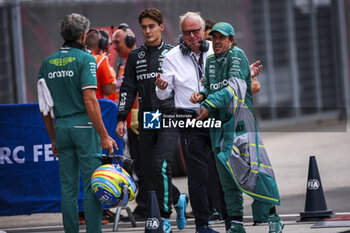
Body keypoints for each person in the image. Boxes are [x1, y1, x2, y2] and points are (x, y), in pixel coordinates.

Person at [155, 12, 263, 233]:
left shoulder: (218, 49)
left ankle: (230, 221)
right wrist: (161, 88)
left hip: (219, 117)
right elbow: (163, 96)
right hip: (190, 118)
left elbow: (235, 82)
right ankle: (202, 225)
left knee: (224, 170)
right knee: (197, 173)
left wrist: (247, 73)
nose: (193, 36)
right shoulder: (172, 57)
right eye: (187, 32)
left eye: (197, 31)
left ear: (204, 30)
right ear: (181, 34)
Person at [192, 22, 284, 233]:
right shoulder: (211, 61)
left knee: (255, 173)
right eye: (213, 38)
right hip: (218, 127)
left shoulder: (237, 55)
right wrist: (202, 95)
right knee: (227, 180)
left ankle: (273, 218)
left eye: (221, 38)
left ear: (231, 40)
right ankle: (236, 225)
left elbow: (234, 89)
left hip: (240, 125)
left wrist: (207, 103)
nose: (216, 41)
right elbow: (209, 87)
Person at [37, 13, 117, 233]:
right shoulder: (86, 59)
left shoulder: (46, 63)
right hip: (84, 125)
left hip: (61, 127)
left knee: (68, 189)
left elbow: (44, 107)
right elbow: (90, 99)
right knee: (93, 186)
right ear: (84, 35)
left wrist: (53, 138)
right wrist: (103, 134)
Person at [115, 8, 187, 233]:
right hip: (148, 116)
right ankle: (178, 199)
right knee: (147, 170)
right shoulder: (135, 56)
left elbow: (186, 84)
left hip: (169, 114)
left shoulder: (175, 52)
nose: (147, 31)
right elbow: (127, 89)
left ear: (161, 27)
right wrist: (120, 118)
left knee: (160, 164)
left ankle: (164, 218)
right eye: (144, 27)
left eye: (152, 26)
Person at [112, 23, 147, 221]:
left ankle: (150, 205)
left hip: (140, 120)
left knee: (145, 166)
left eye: (117, 42)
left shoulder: (136, 61)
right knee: (139, 166)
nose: (114, 46)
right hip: (130, 122)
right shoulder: (122, 63)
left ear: (130, 41)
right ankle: (148, 205)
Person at [85, 28, 116, 101]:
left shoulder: (77, 59)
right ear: (101, 44)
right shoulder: (101, 60)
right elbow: (108, 91)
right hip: (97, 106)